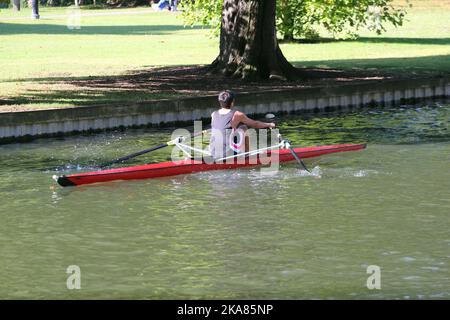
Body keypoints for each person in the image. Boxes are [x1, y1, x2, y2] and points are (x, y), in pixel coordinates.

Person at [209, 90, 275, 160]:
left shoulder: (213, 114)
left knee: (237, 129)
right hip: (227, 154)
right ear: (232, 103)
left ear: (220, 102)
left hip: (212, 152)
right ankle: (247, 155)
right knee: (244, 127)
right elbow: (255, 124)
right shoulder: (237, 114)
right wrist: (269, 124)